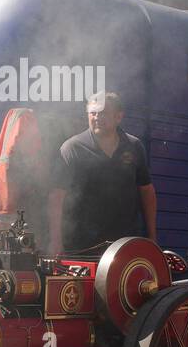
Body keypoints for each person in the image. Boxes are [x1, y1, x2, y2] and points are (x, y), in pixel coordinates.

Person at [47, 91, 156, 256]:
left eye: (103, 113)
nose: (97, 117)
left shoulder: (134, 146)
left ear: (118, 117)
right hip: (83, 247)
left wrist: (152, 237)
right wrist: (55, 241)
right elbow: (56, 196)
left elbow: (147, 192)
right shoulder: (72, 149)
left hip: (125, 245)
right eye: (93, 113)